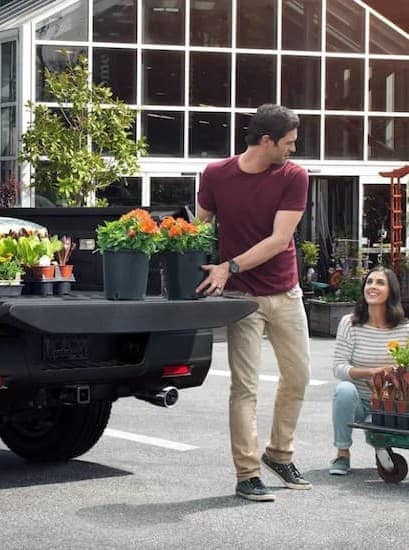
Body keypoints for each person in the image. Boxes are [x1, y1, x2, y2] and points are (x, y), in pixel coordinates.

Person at [195, 104, 311, 502]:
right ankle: (247, 474)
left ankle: (279, 453)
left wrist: (229, 265)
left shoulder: (294, 176)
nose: (293, 150)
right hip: (241, 299)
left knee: (298, 378)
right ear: (266, 141)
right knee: (245, 388)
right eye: (289, 143)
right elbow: (199, 226)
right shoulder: (215, 175)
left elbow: (280, 240)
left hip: (285, 292)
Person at [329, 267, 408, 475]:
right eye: (369, 282)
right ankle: (342, 453)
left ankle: (382, 443)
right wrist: (373, 372)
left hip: (390, 404)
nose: (372, 287)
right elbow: (338, 367)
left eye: (380, 283)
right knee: (344, 390)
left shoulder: (404, 327)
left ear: (392, 291)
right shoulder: (350, 323)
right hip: (360, 402)